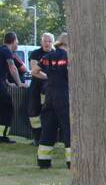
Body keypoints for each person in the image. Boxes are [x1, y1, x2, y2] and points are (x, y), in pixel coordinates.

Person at [37, 33, 71, 169]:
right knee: (68, 127)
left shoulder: (48, 56)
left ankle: (43, 161)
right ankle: (71, 161)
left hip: (49, 94)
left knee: (48, 127)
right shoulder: (69, 57)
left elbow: (34, 71)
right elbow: (70, 73)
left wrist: (48, 77)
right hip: (63, 94)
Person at [0, 32, 29, 143]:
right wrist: (19, 83)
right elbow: (12, 67)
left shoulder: (1, 50)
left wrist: (7, 81)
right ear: (13, 41)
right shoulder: (7, 51)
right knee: (8, 108)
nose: (17, 44)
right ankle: (3, 136)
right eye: (17, 41)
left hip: (2, 83)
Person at [27, 32, 56, 145]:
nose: (47, 43)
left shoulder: (56, 54)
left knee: (48, 113)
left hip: (50, 89)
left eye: (49, 41)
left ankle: (48, 139)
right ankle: (37, 138)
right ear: (41, 42)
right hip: (36, 87)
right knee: (33, 113)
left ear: (52, 42)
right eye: (45, 41)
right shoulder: (35, 53)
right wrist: (48, 76)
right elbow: (34, 71)